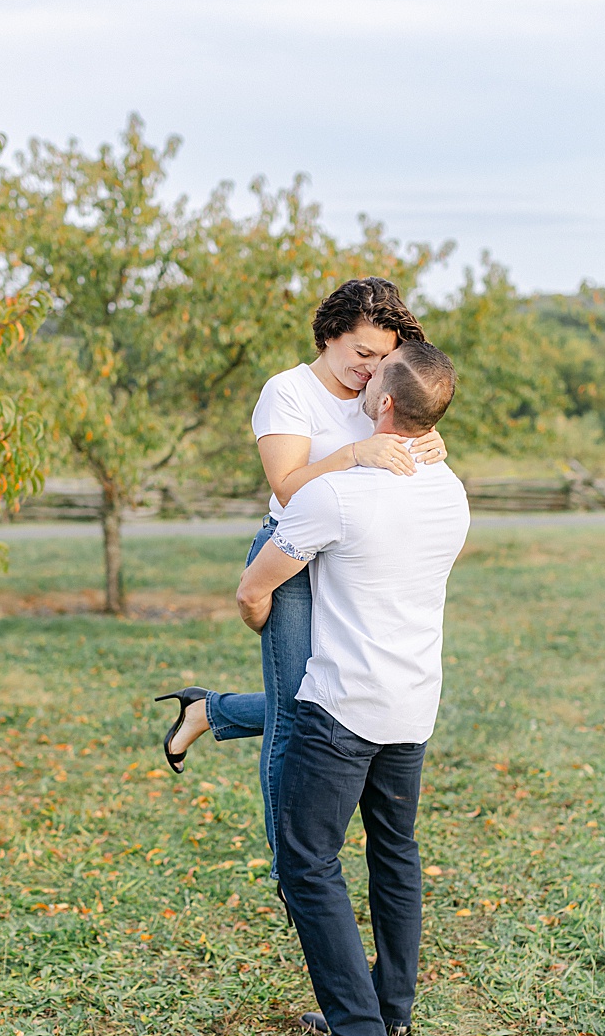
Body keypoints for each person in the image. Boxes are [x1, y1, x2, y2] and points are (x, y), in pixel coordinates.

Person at [233, 342, 470, 1036]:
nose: (364, 382)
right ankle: (391, 1005)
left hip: (341, 706)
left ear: (387, 406)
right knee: (393, 848)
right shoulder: (452, 489)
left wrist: (261, 608)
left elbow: (253, 588)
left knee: (308, 863)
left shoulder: (338, 496)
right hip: (413, 704)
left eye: (377, 378)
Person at [154, 278, 445, 871]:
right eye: (361, 354)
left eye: (382, 359)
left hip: (354, 559)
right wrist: (352, 455)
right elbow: (287, 486)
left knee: (332, 697)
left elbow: (399, 440)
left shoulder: (383, 392)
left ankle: (210, 712)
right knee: (296, 713)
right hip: (291, 553)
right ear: (330, 335)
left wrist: (430, 442)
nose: (370, 370)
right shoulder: (287, 392)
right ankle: (294, 870)